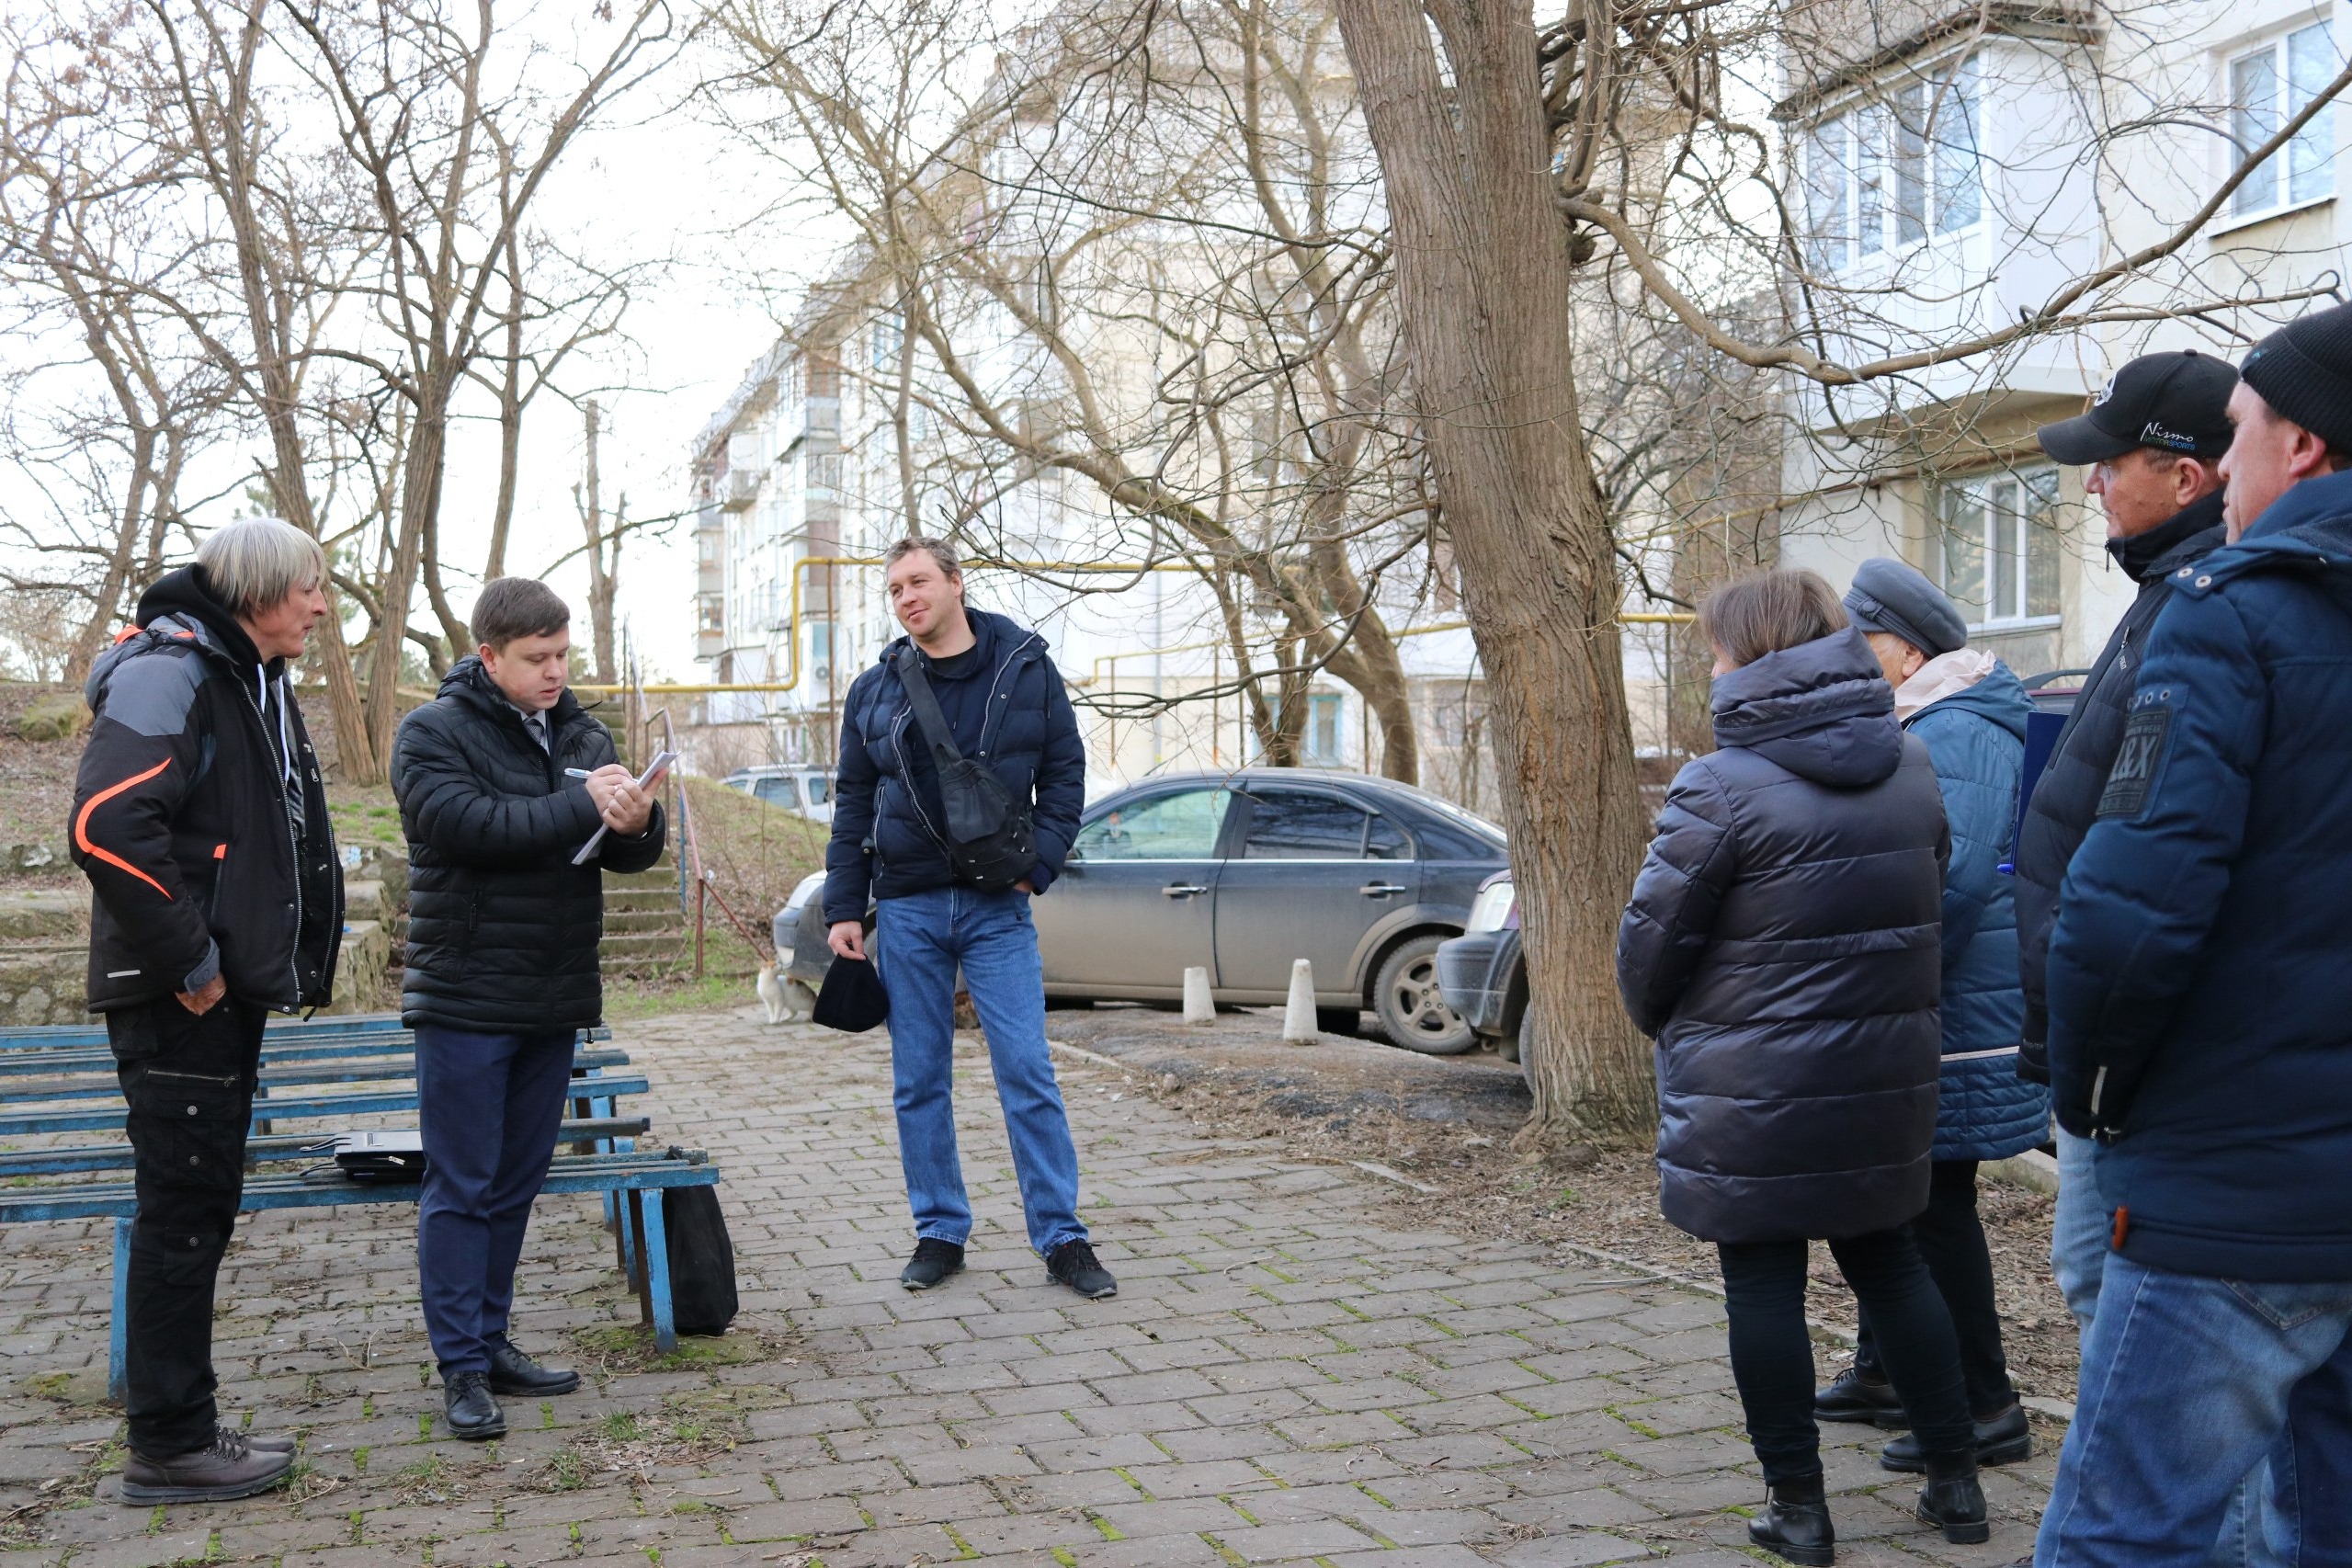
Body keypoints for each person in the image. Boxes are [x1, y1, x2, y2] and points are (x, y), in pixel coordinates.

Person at [2031, 306, 2352, 1564]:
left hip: (2234, 1188)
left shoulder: (2228, 612)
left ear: (2304, 447)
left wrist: (2092, 1096)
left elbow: (2127, 914)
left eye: (2240, 434)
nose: (2227, 467)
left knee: (2121, 1535)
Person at [1616, 569, 1985, 1565]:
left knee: (1763, 1286)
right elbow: (1931, 899)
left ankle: (1800, 1508)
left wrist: (1670, 1024)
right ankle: (1958, 1483)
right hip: (1884, 1073)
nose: (1708, 664)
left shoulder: (1719, 786)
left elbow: (1651, 948)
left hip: (1753, 1087)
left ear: (1748, 655)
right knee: (1892, 1262)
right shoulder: (1911, 763)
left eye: (1713, 649)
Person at [70, 518, 343, 1503]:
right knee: (184, 1215)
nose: (321, 604)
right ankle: (170, 1444)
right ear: (260, 590)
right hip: (178, 995)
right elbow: (105, 822)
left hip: (216, 996)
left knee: (200, 1207)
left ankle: (180, 1427)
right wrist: (192, 957)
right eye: (310, 586)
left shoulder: (248, 675)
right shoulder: (169, 671)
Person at [391, 578, 665, 1441]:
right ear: (489, 657)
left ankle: (492, 1339)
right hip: (466, 996)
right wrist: (581, 802)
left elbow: (625, 856)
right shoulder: (431, 733)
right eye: (536, 660)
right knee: (462, 1184)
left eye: (563, 656)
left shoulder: (583, 732)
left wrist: (637, 819)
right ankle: (459, 1367)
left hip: (553, 991)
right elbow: (466, 827)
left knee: (514, 1183)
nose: (555, 673)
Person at [2013, 349, 2235, 1337]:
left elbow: (2162, 860)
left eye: (2113, 462)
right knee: (2098, 1280)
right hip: (2098, 1038)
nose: (2093, 481)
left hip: (2131, 1052)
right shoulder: (2162, 594)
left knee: (2123, 1296)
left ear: (2186, 477)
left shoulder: (2205, 613)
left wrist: (2098, 1033)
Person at [821, 538, 1107, 1299]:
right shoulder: (874, 689)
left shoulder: (1023, 668)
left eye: (918, 582)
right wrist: (843, 906)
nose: (906, 597)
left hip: (994, 907)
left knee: (1027, 1070)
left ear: (955, 583)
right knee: (919, 1078)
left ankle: (1062, 1238)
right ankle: (939, 1230)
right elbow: (851, 802)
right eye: (894, 589)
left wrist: (1037, 864)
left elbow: (1065, 771)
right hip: (908, 908)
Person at [1814, 561, 2043, 1474]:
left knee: (1934, 1201)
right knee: (1893, 1191)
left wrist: (1871, 979)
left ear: (1905, 647)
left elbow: (1942, 880)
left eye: (1858, 644)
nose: (1846, 661)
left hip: (1945, 1005)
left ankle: (1987, 1402)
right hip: (1926, 997)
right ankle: (1887, 1371)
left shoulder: (1959, 728)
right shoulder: (1924, 718)